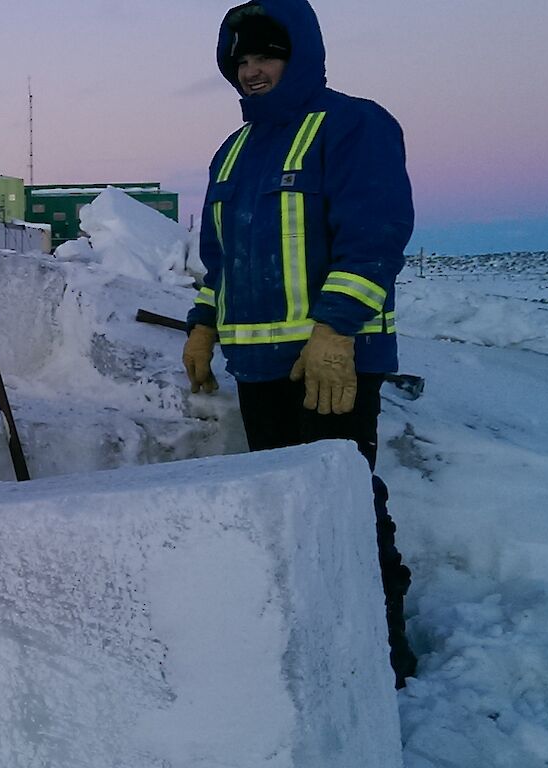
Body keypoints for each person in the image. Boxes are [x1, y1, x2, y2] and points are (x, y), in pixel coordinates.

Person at [180, 0, 419, 688]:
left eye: (266, 56)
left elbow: (374, 234)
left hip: (329, 363)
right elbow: (218, 258)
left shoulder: (352, 125)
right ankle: (317, 636)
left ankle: (384, 650)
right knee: (286, 505)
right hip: (258, 367)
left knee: (344, 505)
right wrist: (203, 324)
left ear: (301, 54)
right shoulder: (234, 151)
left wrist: (337, 330)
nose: (253, 71)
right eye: (241, 61)